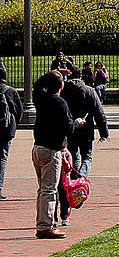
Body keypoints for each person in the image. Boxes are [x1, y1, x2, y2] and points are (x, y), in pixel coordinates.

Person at [32, 71, 80, 239]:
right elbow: (69, 128)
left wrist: (51, 74)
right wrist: (77, 122)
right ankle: (45, 226)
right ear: (61, 85)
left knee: (42, 189)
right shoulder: (60, 103)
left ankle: (45, 221)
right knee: (49, 189)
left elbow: (37, 84)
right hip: (51, 150)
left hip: (37, 148)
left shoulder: (40, 98)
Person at [62, 68, 109, 180]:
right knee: (87, 156)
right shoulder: (89, 91)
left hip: (70, 127)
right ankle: (81, 178)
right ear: (81, 76)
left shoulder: (63, 91)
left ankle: (75, 178)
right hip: (86, 128)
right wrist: (104, 132)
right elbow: (99, 113)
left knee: (74, 155)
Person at [0, 67, 23, 201]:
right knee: (2, 157)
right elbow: (18, 111)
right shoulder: (10, 91)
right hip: (6, 129)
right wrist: (14, 125)